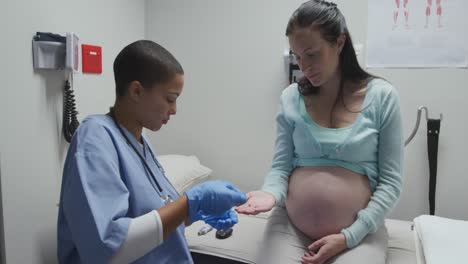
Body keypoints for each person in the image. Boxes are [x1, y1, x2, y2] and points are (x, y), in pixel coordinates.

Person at [236, 1, 403, 263]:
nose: (304, 66)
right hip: (291, 226)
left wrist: (350, 235)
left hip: (357, 232)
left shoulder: (382, 96)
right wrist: (269, 194)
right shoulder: (291, 97)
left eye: (312, 54)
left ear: (339, 43)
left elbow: (391, 183)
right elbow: (281, 168)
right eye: (297, 57)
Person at [57, 40, 246, 264]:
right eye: (170, 99)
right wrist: (190, 204)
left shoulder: (140, 142)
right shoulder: (95, 137)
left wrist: (194, 214)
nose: (174, 110)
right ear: (136, 91)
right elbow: (107, 250)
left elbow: (152, 218)